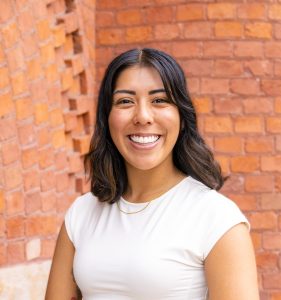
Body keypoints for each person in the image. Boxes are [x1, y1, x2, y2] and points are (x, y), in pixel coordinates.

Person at [45, 48, 259, 300]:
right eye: (125, 101)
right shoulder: (82, 213)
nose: (143, 116)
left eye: (159, 100)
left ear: (181, 115)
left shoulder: (216, 217)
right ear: (107, 117)